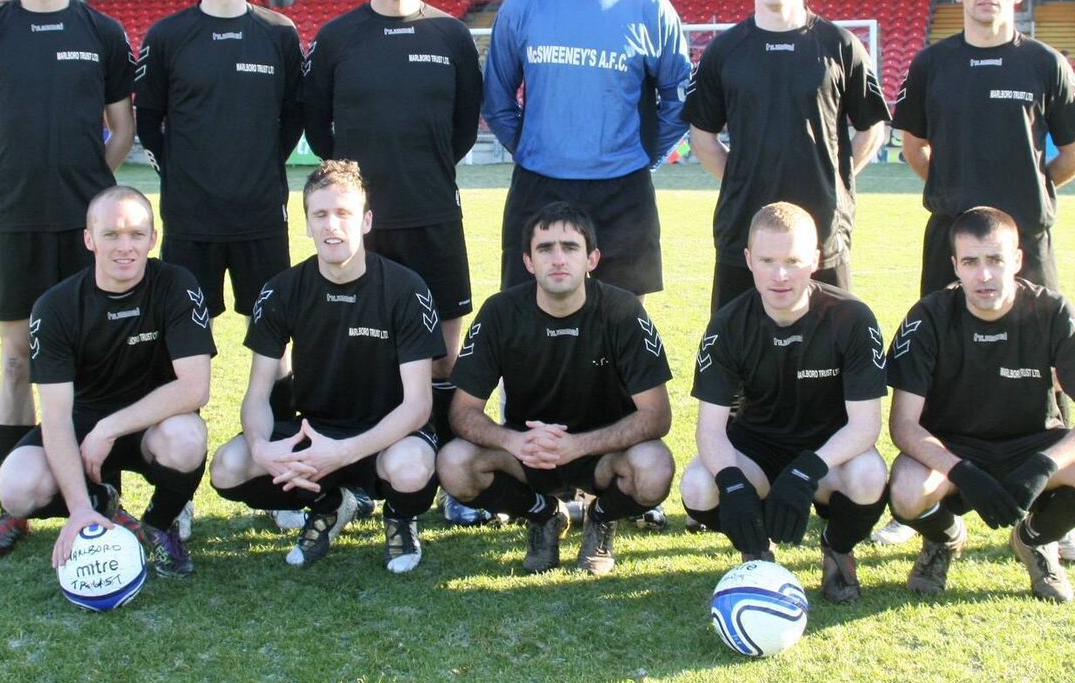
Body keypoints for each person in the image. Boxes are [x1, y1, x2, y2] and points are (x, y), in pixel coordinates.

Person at [890, 0, 1075, 560]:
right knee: (936, 360)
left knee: (1047, 365)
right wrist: (960, 202)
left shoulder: (1044, 63)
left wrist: (1027, 197)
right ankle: (932, 493)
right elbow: (914, 147)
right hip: (949, 240)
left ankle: (1050, 506)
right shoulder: (933, 63)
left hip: (1027, 243)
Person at [0, 0, 136, 557]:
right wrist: (8, 188)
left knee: (96, 358)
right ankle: (12, 508)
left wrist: (89, 191)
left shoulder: (102, 31)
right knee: (16, 360)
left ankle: (104, 495)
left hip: (87, 232)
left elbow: (123, 128)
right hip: (18, 224)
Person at [300, 0, 482, 525]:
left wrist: (421, 173)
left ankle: (453, 473)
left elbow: (460, 131)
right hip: (360, 227)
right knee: (363, 345)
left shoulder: (452, 37)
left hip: (433, 215)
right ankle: (363, 472)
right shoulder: (338, 37)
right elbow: (316, 126)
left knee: (446, 351)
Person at [133, 0, 305, 536]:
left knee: (277, 350)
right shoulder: (169, 36)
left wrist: (258, 168)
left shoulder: (279, 34)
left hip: (262, 220)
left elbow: (293, 118)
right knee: (176, 358)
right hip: (190, 225)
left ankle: (283, 480)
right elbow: (147, 120)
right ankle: (173, 499)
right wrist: (181, 175)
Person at [210, 160, 444, 573]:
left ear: (367, 220)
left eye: (344, 213)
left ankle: (399, 519)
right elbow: (258, 394)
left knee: (410, 470)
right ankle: (332, 503)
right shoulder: (282, 291)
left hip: (389, 434)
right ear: (306, 223)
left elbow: (418, 406)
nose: (331, 225)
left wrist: (342, 454)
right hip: (315, 431)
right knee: (229, 468)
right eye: (320, 214)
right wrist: (263, 449)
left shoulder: (406, 289)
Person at [886, 207, 1075, 602]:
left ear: (1017, 260)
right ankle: (944, 540)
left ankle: (1035, 540)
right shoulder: (929, 316)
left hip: (1032, 447)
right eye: (970, 262)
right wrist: (962, 472)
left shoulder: (1054, 313)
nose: (983, 275)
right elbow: (903, 426)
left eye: (995, 260)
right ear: (955, 266)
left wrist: (1042, 465)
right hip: (954, 451)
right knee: (907, 490)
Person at [437, 202, 674, 576]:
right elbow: (461, 412)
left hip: (602, 454)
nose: (558, 259)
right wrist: (513, 442)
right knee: (454, 463)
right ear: (529, 262)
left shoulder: (622, 311)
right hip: (528, 454)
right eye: (545, 249)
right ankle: (543, 514)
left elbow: (657, 416)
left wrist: (577, 446)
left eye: (570, 247)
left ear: (592, 258)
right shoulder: (500, 313)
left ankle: (601, 516)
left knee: (654, 467)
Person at [482, 0, 692, 299]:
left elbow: (678, 99)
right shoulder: (522, 8)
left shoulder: (651, 10)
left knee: (625, 319)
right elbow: (497, 98)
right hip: (539, 184)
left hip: (622, 190)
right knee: (527, 316)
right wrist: (528, 146)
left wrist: (642, 156)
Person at [0, 186, 214, 577]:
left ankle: (159, 526)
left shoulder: (178, 286)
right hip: (81, 425)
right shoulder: (56, 306)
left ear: (153, 238)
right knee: (16, 488)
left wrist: (109, 428)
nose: (124, 246)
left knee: (188, 438)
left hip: (152, 425)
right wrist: (78, 508)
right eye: (111, 234)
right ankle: (97, 500)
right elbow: (58, 418)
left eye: (135, 234)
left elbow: (194, 388)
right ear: (89, 238)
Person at [679, 202, 888, 603]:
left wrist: (805, 471)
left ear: (815, 259)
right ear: (748, 260)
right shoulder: (728, 324)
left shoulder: (852, 318)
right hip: (756, 452)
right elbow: (710, 429)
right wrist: (734, 484)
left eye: (793, 260)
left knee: (868, 475)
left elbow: (865, 426)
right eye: (767, 260)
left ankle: (837, 548)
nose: (779, 275)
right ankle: (756, 547)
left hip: (827, 456)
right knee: (700, 485)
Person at [684, 0, 889, 315]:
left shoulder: (840, 46)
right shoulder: (724, 51)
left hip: (822, 229)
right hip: (743, 226)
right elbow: (702, 138)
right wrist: (743, 177)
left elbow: (871, 131)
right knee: (734, 344)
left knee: (831, 343)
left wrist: (835, 179)